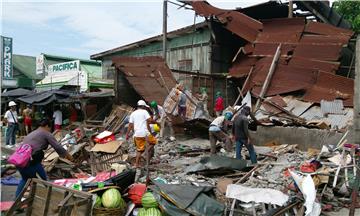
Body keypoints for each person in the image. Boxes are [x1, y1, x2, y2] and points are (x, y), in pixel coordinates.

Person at [15, 118, 73, 198]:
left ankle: (16, 201)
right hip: (31, 162)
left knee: (25, 180)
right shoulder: (45, 133)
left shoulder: (32, 133)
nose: (49, 130)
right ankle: (51, 199)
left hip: (20, 160)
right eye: (49, 128)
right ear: (46, 126)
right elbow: (57, 147)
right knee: (44, 181)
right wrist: (69, 156)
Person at [126, 100, 157, 168]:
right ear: (143, 106)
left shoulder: (133, 113)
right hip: (145, 133)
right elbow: (150, 120)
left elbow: (130, 125)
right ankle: (146, 151)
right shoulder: (144, 112)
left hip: (137, 134)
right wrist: (157, 123)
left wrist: (127, 134)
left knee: (139, 150)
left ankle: (136, 164)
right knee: (154, 142)